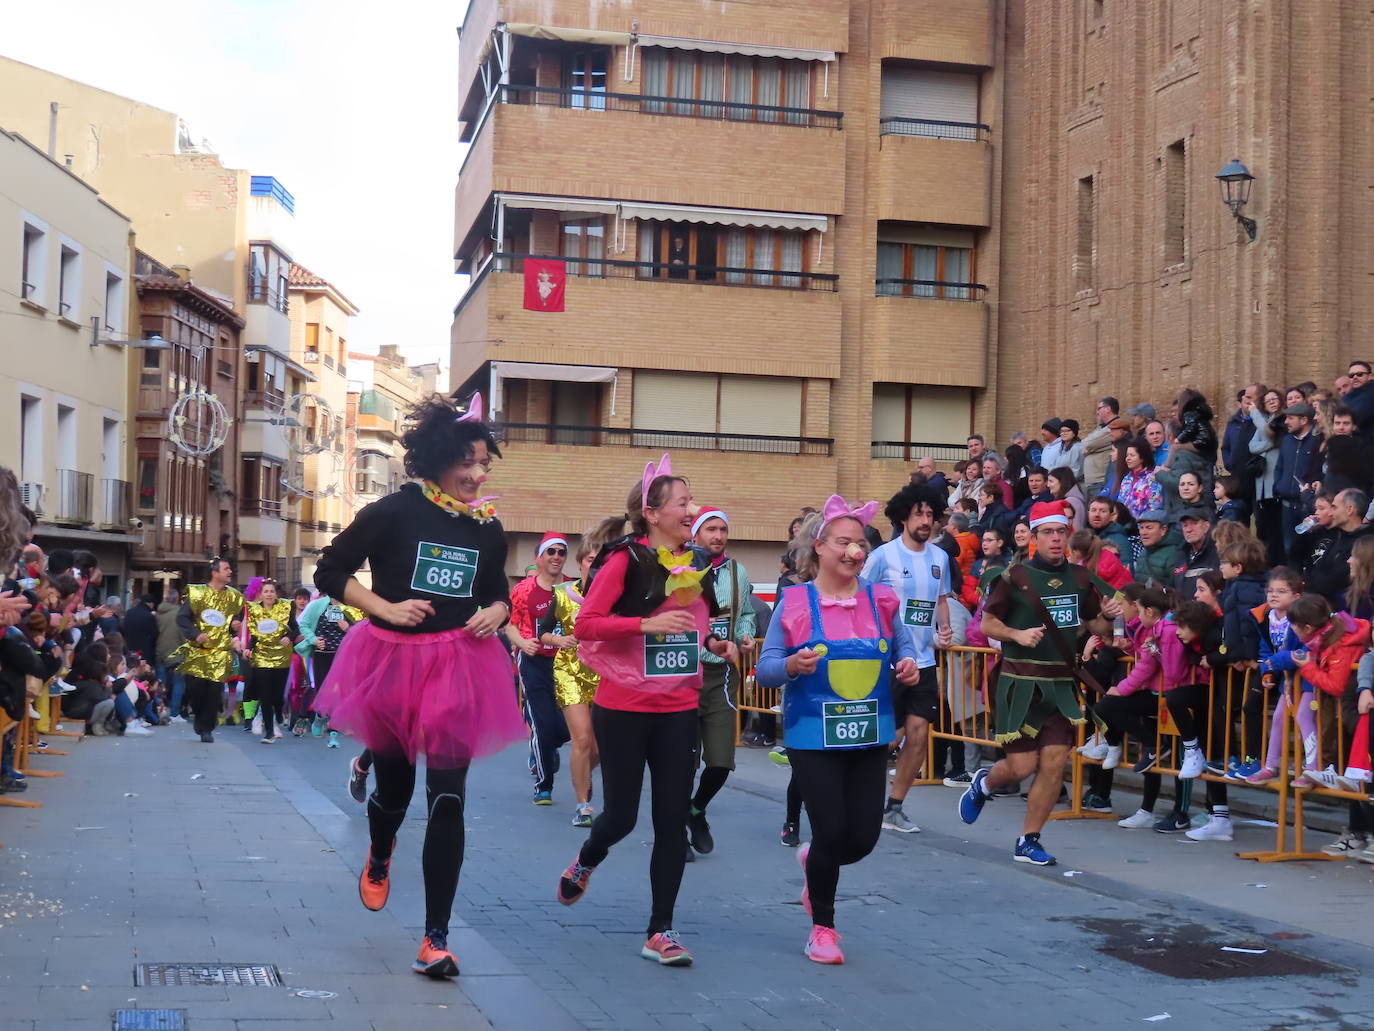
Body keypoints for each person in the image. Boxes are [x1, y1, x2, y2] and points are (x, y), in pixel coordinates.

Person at [312, 392, 527, 979]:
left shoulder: (486, 527)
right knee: (396, 795)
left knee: (449, 800)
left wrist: (500, 612)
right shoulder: (393, 512)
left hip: (460, 665)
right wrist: (385, 606)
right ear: (436, 457)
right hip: (392, 663)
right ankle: (380, 851)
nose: (478, 475)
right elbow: (329, 570)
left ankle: (436, 938)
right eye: (469, 463)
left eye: (486, 464)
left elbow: (496, 589)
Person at [556, 455, 738, 968]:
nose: (693, 510)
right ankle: (588, 858)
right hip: (624, 708)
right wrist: (642, 626)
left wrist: (717, 644)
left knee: (670, 820)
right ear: (653, 513)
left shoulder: (696, 564)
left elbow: (695, 624)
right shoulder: (625, 561)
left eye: (691, 500)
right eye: (684, 502)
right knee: (621, 816)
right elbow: (588, 624)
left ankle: (660, 929)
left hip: (679, 707)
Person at [757, 494, 920, 965]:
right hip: (813, 736)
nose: (855, 552)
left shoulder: (883, 598)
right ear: (820, 547)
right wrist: (791, 662)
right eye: (844, 543)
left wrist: (907, 666)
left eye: (861, 544)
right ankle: (822, 929)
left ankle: (815, 862)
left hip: (870, 734)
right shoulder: (793, 601)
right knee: (829, 831)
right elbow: (766, 669)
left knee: (862, 839)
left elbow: (905, 652)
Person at [958, 501, 1121, 866]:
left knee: (1053, 762)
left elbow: (1097, 626)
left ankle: (1028, 839)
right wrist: (1018, 633)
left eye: (1061, 532)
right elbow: (987, 625)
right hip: (1019, 685)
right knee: (1021, 767)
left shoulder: (1080, 578)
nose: (1055, 539)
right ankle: (985, 782)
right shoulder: (1013, 577)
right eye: (1048, 532)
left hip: (1060, 687)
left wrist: (1109, 618)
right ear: (1034, 538)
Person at [860, 483, 953, 834]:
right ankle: (858, 794)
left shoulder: (940, 557)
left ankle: (894, 807)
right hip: (888, 662)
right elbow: (861, 597)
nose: (926, 520)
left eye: (931, 514)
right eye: (919, 514)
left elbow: (941, 600)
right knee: (881, 737)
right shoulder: (883, 556)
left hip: (924, 662)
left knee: (919, 733)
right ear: (903, 518)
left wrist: (944, 630)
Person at [685, 506, 757, 857]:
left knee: (720, 760)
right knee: (683, 760)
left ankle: (696, 810)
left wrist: (744, 637)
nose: (718, 536)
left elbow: (744, 614)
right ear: (695, 535)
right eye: (710, 529)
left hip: (722, 674)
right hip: (683, 673)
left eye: (722, 529)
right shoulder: (679, 568)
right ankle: (674, 834)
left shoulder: (737, 571)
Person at [537, 525, 613, 828]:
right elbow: (541, 632)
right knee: (581, 738)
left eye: (600, 561)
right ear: (580, 563)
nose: (593, 566)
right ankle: (583, 805)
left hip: (605, 671)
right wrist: (559, 640)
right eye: (589, 560)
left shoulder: (614, 599)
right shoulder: (562, 594)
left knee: (598, 747)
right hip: (570, 669)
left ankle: (581, 773)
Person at [508, 532, 572, 805]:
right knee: (543, 726)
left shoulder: (573, 588)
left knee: (565, 729)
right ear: (539, 557)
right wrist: (523, 642)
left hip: (568, 664)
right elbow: (508, 624)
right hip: (534, 660)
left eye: (561, 552)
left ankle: (548, 744)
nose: (557, 557)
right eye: (551, 552)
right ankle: (543, 785)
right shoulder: (523, 590)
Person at [173, 558, 245, 743]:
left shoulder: (234, 596)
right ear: (214, 572)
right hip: (197, 652)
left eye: (230, 568)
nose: (230, 572)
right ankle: (197, 714)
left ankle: (207, 729)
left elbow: (234, 621)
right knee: (196, 689)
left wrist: (233, 626)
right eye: (226, 568)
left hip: (219, 653)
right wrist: (195, 634)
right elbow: (182, 618)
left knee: (214, 692)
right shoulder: (198, 594)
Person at [244, 579, 294, 742]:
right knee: (265, 695)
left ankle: (278, 713)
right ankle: (269, 732)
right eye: (266, 591)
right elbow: (252, 634)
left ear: (276, 594)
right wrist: (248, 648)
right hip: (261, 656)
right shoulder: (254, 610)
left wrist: (289, 637)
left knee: (277, 696)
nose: (269, 594)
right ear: (261, 594)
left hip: (281, 656)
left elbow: (295, 628)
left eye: (271, 591)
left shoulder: (286, 607)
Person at [1274, 401, 1323, 560]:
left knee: (1311, 549)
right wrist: (1278, 486)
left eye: (1290, 418)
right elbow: (1279, 467)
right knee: (1289, 548)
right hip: (1287, 505)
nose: (1286, 422)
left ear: (1303, 420)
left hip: (1307, 505)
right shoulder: (1286, 440)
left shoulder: (1318, 441)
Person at [1249, 388, 1286, 564]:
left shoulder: (1282, 420)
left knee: (1275, 531)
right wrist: (1271, 444)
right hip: (1261, 487)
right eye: (1268, 400)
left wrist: (1255, 414)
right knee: (1263, 529)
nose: (1271, 402)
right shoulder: (1266, 421)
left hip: (1275, 486)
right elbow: (1252, 446)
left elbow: (1269, 435)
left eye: (1274, 399)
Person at [1115, 438, 1164, 519]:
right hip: (1125, 526)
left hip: (1144, 526)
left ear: (1142, 458)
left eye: (1132, 455)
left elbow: (1155, 507)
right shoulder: (1126, 479)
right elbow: (1120, 503)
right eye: (1127, 455)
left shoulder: (1152, 479)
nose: (1128, 458)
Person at [1132, 510, 1182, 588]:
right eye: (1141, 528)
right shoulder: (1143, 552)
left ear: (1163, 530)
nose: (1143, 532)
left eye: (1149, 528)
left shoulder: (1174, 554)